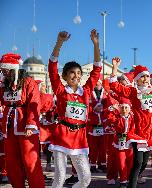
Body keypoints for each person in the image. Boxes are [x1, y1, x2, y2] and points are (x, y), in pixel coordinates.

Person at [109, 56, 152, 188]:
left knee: (144, 163)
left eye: (147, 76)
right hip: (138, 133)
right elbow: (115, 86)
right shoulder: (133, 92)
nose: (145, 79)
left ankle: (132, 180)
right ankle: (131, 185)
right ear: (137, 79)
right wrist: (115, 68)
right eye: (142, 77)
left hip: (151, 134)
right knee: (138, 162)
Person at [48, 29, 102, 188]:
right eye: (72, 73)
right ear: (65, 76)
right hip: (62, 136)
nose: (76, 76)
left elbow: (97, 69)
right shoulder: (60, 90)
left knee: (86, 178)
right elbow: (52, 67)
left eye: (79, 73)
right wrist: (59, 43)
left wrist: (96, 44)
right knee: (60, 177)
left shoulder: (85, 91)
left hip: (79, 137)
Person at [0, 53, 45, 187]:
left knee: (31, 162)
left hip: (25, 127)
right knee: (12, 162)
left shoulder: (28, 82)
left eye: (5, 70)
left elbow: (34, 103)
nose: (3, 73)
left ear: (13, 68)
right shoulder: (4, 85)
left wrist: (31, 125)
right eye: (2, 70)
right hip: (8, 127)